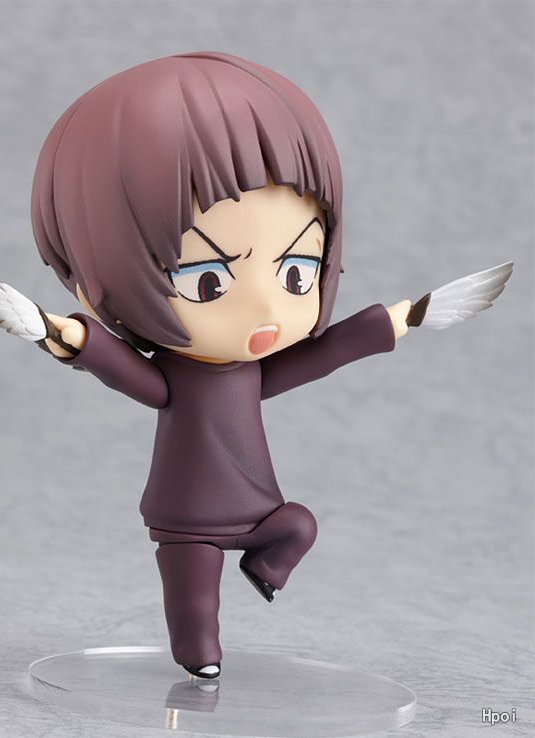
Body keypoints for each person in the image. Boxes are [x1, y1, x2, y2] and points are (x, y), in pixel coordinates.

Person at [31, 52, 410, 679]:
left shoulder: (252, 372)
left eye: (297, 270)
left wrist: (384, 325)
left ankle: (265, 567)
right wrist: (80, 341)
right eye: (206, 279)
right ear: (94, 275)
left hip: (257, 501)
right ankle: (199, 657)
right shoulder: (174, 379)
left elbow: (317, 360)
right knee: (194, 602)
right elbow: (133, 376)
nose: (264, 308)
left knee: (299, 524)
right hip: (184, 510)